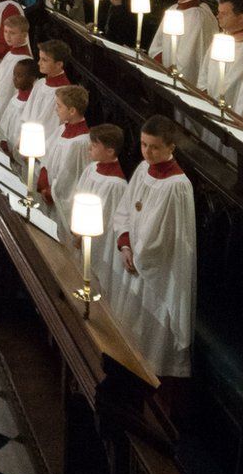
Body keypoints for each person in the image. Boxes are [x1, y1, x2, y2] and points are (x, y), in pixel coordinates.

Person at [113, 115, 196, 378]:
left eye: (155, 147)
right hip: (134, 259)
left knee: (148, 338)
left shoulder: (177, 186)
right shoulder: (142, 169)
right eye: (143, 144)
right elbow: (126, 207)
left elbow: (164, 239)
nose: (147, 152)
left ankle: (147, 375)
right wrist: (125, 245)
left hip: (156, 271)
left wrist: (139, 257)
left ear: (171, 147)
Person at [73, 124, 128, 310]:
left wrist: (84, 235)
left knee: (94, 281)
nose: (89, 148)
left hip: (99, 244)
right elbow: (79, 194)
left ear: (110, 150)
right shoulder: (92, 168)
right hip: (82, 234)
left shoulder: (117, 185)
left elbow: (108, 221)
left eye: (94, 145)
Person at [36, 85, 90, 244]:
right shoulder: (62, 129)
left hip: (61, 202)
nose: (55, 110)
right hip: (50, 192)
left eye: (59, 106)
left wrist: (51, 192)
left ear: (72, 111)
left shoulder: (81, 142)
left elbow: (70, 178)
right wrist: (44, 181)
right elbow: (47, 156)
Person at [147, 0, 218, 82]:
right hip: (165, 74)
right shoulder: (172, 9)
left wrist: (172, 72)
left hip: (183, 80)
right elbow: (157, 45)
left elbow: (188, 59)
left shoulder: (198, 16)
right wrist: (160, 67)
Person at [198, 0, 243, 108]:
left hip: (232, 107)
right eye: (218, 12)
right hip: (209, 104)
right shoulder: (219, 40)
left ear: (241, 18)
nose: (218, 16)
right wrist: (205, 94)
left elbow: (234, 83)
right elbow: (204, 71)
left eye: (224, 14)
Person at [21, 39, 72, 142]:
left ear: (59, 64)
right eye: (40, 58)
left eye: (44, 60)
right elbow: (28, 113)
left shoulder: (65, 93)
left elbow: (53, 126)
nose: (39, 63)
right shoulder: (40, 83)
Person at [0, 12, 33, 125]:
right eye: (5, 32)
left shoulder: (22, 60)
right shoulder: (11, 53)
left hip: (6, 110)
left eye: (12, 33)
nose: (7, 36)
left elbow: (8, 89)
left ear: (24, 35)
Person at [0, 58, 40, 159]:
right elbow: (5, 122)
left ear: (32, 78)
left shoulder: (31, 104)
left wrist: (16, 153)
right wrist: (4, 142)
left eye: (20, 76)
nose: (15, 78)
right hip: (7, 149)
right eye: (14, 74)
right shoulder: (15, 97)